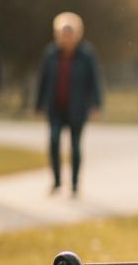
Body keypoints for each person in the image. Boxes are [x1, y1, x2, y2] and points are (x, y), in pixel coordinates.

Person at [35, 12, 102, 196]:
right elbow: (43, 80)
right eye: (64, 33)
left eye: (70, 32)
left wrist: (96, 104)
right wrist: (38, 104)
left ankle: (74, 183)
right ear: (58, 34)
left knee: (75, 145)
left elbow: (94, 80)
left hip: (77, 108)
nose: (67, 37)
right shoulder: (50, 54)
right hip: (55, 107)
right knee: (54, 141)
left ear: (77, 34)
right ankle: (56, 181)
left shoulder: (86, 55)